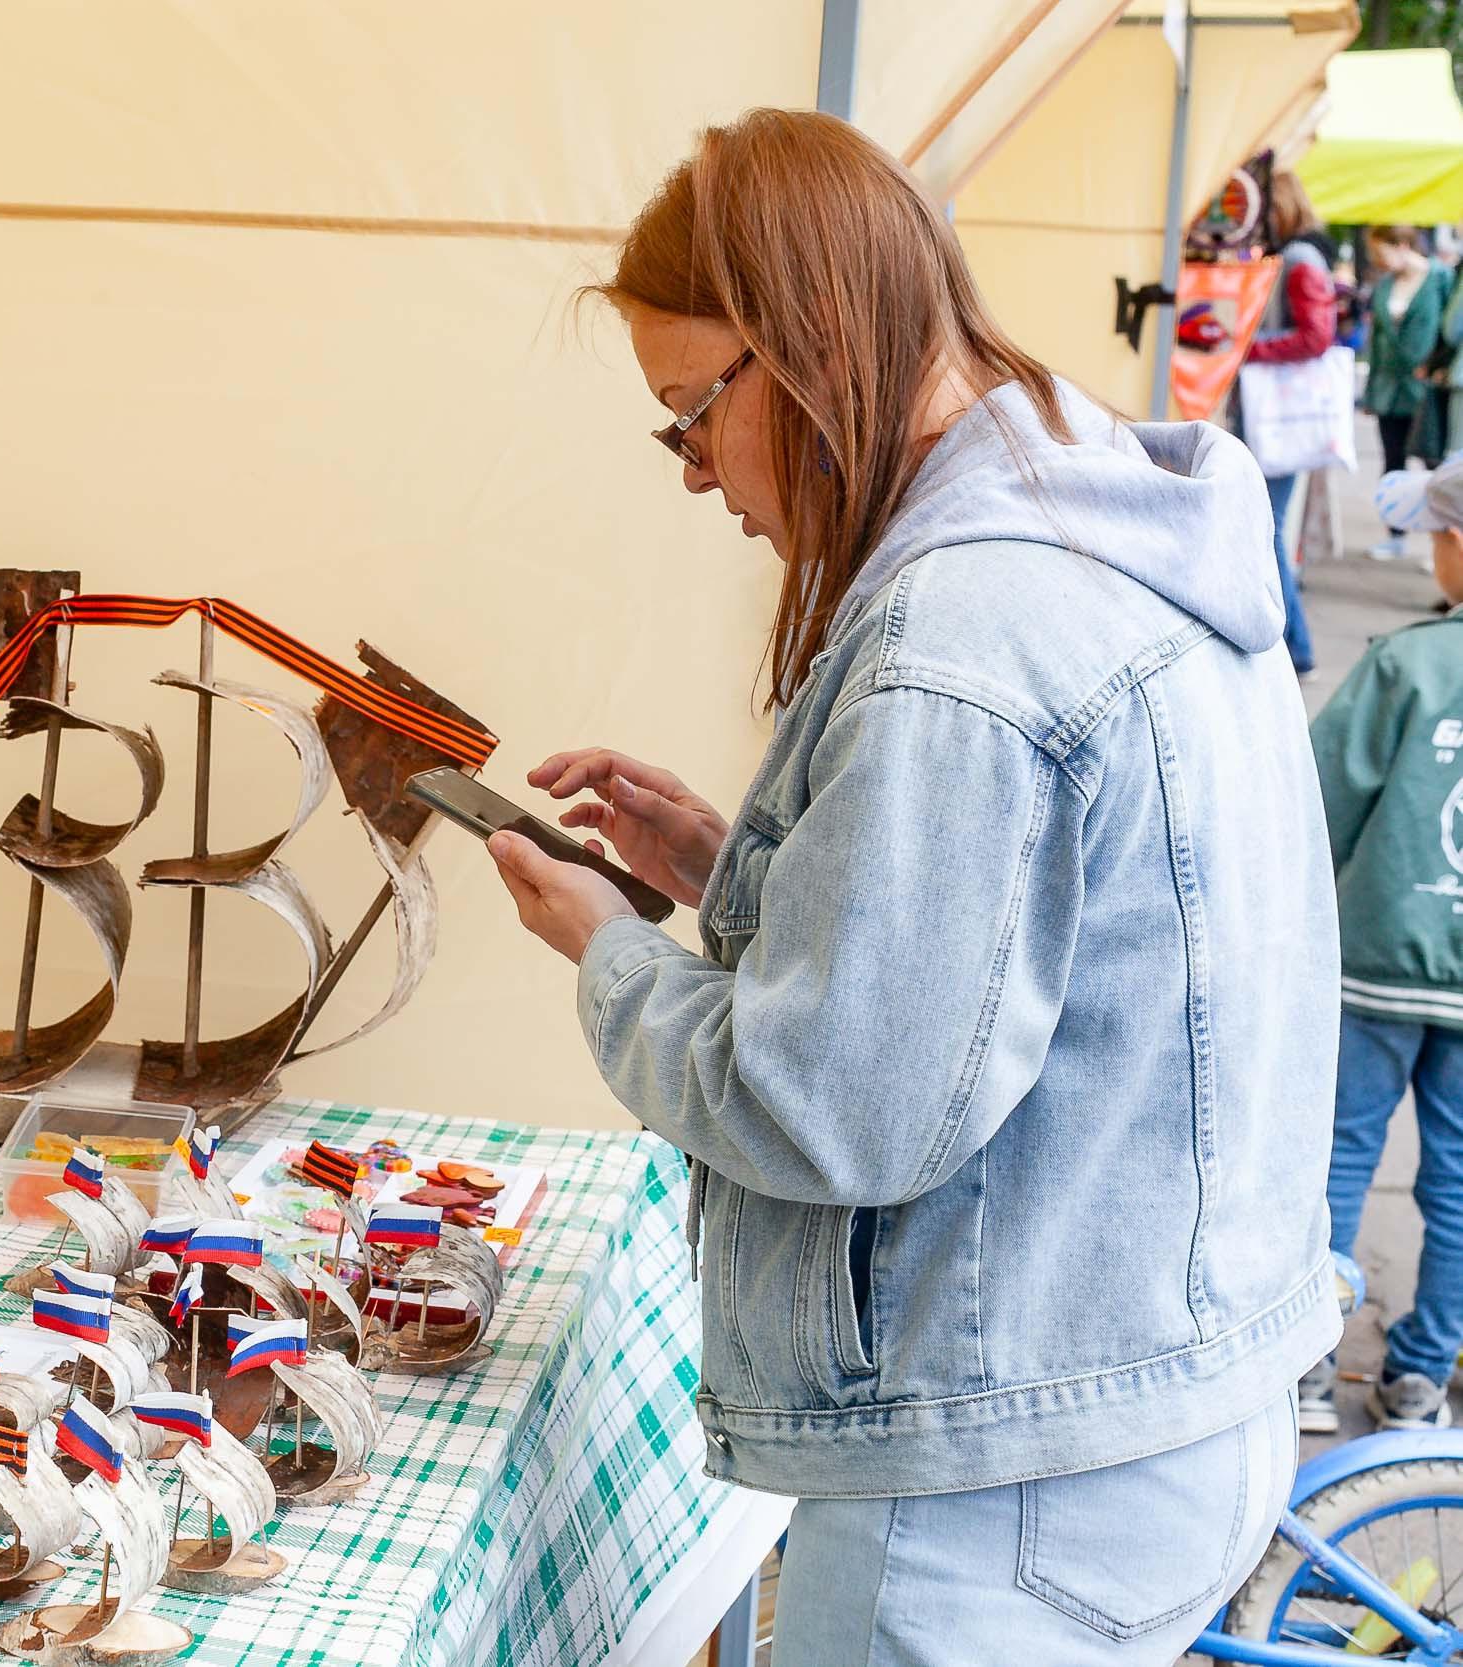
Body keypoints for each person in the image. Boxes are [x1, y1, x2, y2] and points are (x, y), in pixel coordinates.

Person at [487, 111, 1334, 1664]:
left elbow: (834, 1104)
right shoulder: (1109, 517)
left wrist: (610, 952)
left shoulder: (966, 635)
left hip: (1005, 1485)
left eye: (690, 415)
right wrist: (739, 863)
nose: (693, 476)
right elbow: (1058, 941)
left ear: (804, 343)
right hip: (1158, 1405)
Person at [1299, 459, 1463, 1433]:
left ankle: (1309, 1365)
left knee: (1337, 1154)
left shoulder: (1404, 664)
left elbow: (1318, 803)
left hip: (1373, 964)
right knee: (1456, 1177)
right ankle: (1418, 1378)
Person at [1242, 170, 1338, 675]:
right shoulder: (1304, 256)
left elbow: (1316, 336)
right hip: (1278, 416)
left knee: (1268, 530)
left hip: (1278, 415)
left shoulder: (1299, 259)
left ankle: (1296, 647)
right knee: (1269, 528)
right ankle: (1293, 645)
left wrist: (1248, 350)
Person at [1364, 226, 1449, 552]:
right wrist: (1371, 388)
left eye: (1380, 252)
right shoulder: (1385, 285)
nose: (1377, 260)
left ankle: (1444, 541)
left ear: (1401, 245)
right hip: (1389, 387)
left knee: (1435, 465)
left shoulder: (1440, 279)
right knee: (1392, 459)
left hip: (1424, 388)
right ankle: (1395, 534)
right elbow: (1377, 341)